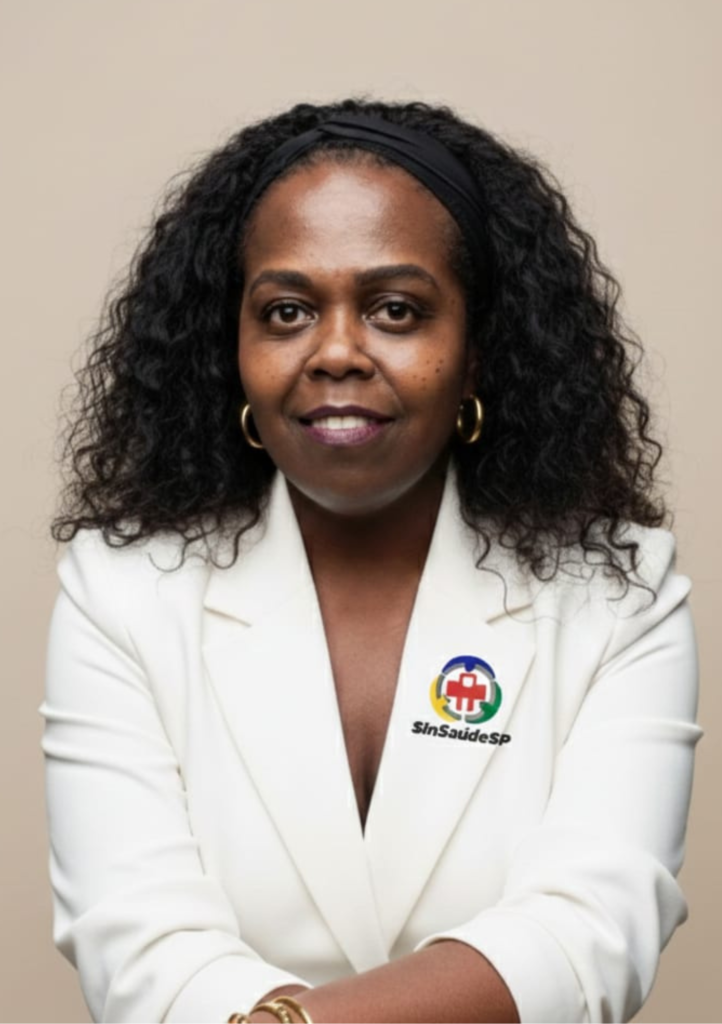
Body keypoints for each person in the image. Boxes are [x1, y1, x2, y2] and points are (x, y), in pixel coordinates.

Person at [41, 98, 701, 1024]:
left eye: (396, 309)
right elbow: (139, 946)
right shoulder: (120, 590)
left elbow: (589, 932)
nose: (338, 353)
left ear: (478, 352)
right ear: (231, 349)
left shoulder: (617, 592)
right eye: (286, 311)